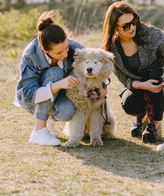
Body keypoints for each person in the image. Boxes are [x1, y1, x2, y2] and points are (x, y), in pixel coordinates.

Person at [14, 11, 106, 146]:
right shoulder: (31, 55)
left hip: (62, 93)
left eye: (66, 48)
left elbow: (94, 61)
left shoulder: (74, 47)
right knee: (55, 72)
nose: (64, 54)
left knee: (68, 112)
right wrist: (57, 85)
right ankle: (39, 130)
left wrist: (103, 88)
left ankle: (51, 119)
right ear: (45, 50)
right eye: (58, 53)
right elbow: (28, 95)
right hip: (33, 95)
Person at [101, 1, 164, 143]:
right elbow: (124, 78)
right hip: (137, 85)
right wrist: (143, 85)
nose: (132, 27)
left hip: (160, 80)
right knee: (130, 104)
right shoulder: (112, 49)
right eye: (126, 26)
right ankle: (141, 117)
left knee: (157, 75)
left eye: (134, 21)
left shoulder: (151, 34)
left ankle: (155, 125)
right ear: (115, 28)